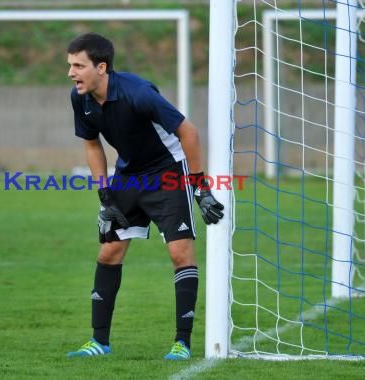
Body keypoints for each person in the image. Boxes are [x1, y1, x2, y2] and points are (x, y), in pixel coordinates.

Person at [65, 32, 224, 360]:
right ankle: (99, 342)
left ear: (102, 67)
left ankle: (182, 343)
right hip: (128, 176)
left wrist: (200, 187)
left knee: (180, 254)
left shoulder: (138, 93)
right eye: (70, 65)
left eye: (79, 66)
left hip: (167, 172)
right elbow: (92, 143)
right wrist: (104, 194)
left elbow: (188, 132)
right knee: (108, 253)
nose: (71, 73)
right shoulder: (79, 98)